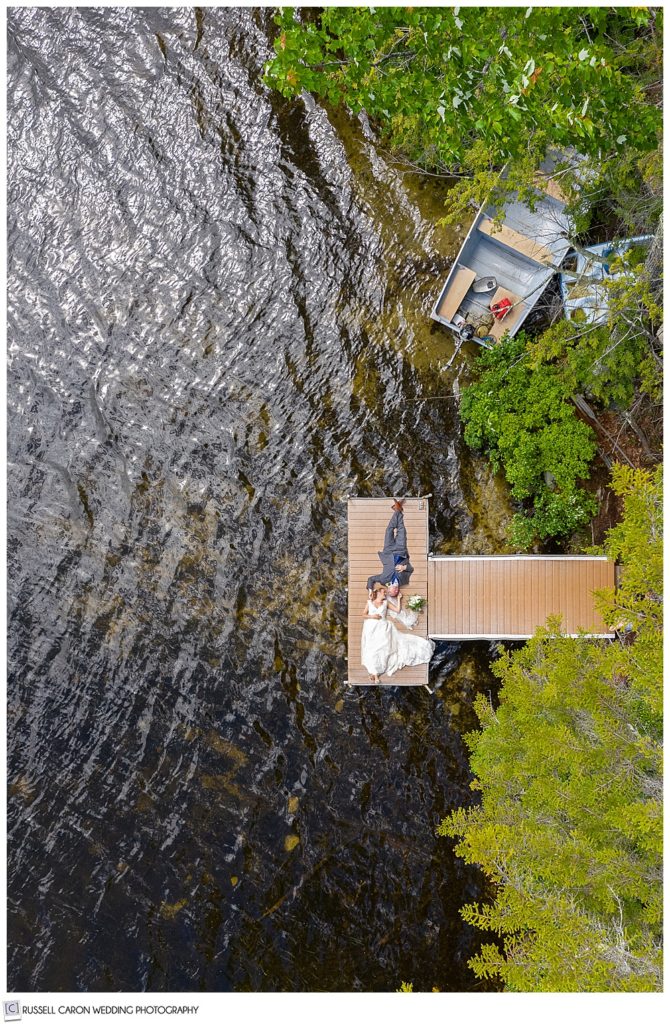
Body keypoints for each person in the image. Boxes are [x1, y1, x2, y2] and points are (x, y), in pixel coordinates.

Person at [361, 586, 435, 683]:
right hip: (371, 627)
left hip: (383, 627)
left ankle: (375, 674)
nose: (385, 594)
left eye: (385, 593)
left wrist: (399, 599)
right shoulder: (369, 603)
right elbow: (363, 614)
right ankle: (375, 673)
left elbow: (397, 610)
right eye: (384, 592)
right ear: (378, 593)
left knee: (382, 647)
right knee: (372, 648)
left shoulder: (385, 603)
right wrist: (372, 616)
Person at [366, 500, 414, 595]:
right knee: (401, 530)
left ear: (388, 589)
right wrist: (404, 567)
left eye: (394, 591)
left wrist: (370, 590)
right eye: (397, 591)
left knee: (389, 530)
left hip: (388, 551)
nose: (396, 590)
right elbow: (411, 569)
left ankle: (398, 510)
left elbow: (371, 579)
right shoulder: (404, 581)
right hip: (401, 551)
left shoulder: (383, 580)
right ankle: (398, 510)